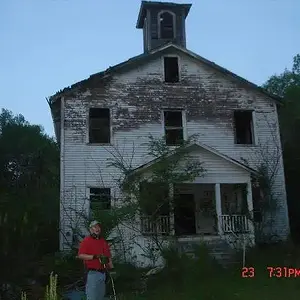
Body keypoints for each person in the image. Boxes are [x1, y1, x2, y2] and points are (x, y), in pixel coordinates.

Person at [78, 220, 113, 300]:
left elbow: (108, 257)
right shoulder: (86, 241)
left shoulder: (103, 241)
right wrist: (94, 257)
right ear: (91, 229)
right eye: (95, 227)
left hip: (103, 273)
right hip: (92, 273)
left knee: (100, 296)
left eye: (98, 226)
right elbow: (80, 255)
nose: (97, 228)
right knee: (92, 297)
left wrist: (112, 269)